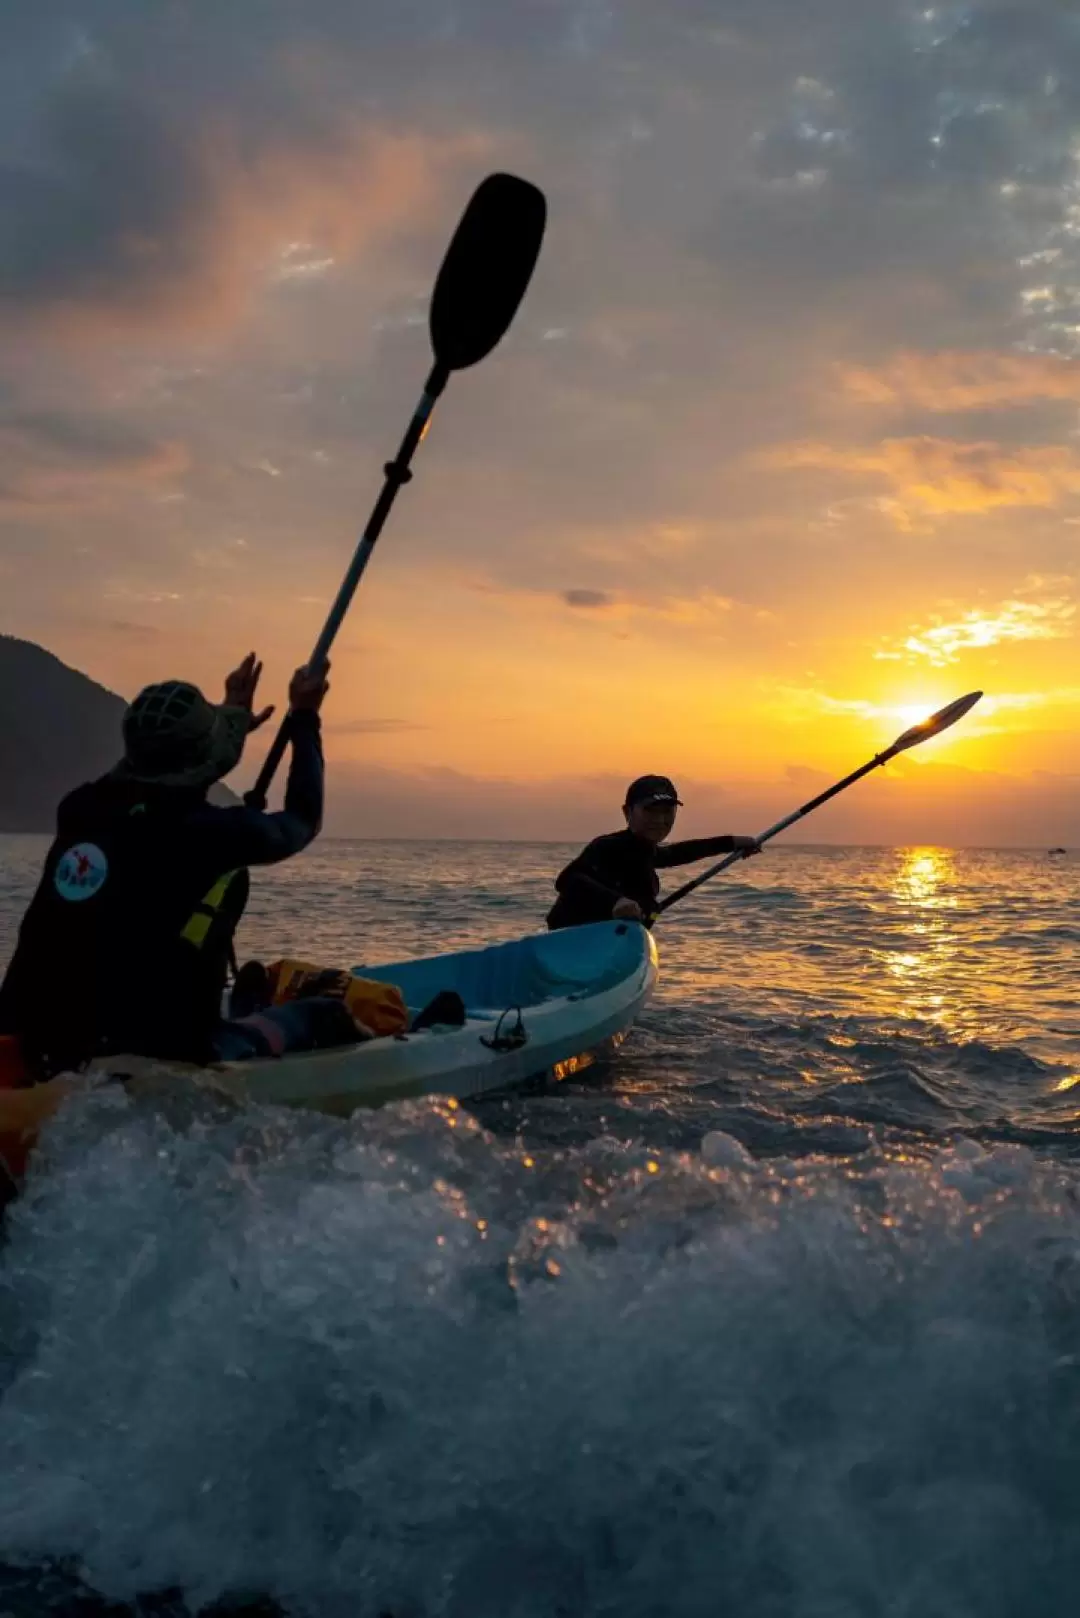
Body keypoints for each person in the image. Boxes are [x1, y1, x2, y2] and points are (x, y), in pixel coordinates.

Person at [0, 653, 331, 1078]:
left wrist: (231, 714)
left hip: (38, 1035)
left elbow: (162, 773)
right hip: (153, 1050)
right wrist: (304, 718)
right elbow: (304, 818)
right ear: (201, 758)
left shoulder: (81, 808)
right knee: (324, 1015)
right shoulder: (210, 834)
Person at [546, 774, 760, 930]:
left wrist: (731, 843)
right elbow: (567, 880)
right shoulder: (608, 846)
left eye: (667, 812)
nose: (659, 820)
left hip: (612, 943)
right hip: (572, 941)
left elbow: (675, 854)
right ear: (627, 812)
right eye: (650, 810)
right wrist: (615, 901)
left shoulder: (645, 851)